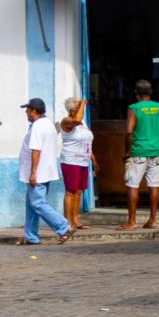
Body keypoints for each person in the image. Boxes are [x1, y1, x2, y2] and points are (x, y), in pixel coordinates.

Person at [18, 97, 71, 245]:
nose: (26, 112)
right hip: (45, 171)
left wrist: (33, 172)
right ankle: (31, 237)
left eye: (27, 110)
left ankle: (63, 227)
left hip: (38, 173)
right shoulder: (47, 124)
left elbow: (36, 150)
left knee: (37, 203)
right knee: (31, 205)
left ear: (34, 111)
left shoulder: (37, 126)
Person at [121, 80, 159, 231]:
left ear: (136, 92)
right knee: (154, 185)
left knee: (133, 185)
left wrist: (126, 151)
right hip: (156, 151)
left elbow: (129, 131)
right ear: (151, 92)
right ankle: (152, 220)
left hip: (138, 151)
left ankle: (132, 221)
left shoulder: (134, 108)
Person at [58, 98, 93, 234]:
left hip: (83, 161)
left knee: (79, 191)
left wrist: (93, 159)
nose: (82, 112)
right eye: (80, 109)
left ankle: (75, 220)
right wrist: (83, 103)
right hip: (71, 161)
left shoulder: (83, 122)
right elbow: (76, 121)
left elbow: (87, 141)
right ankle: (67, 223)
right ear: (73, 110)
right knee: (70, 191)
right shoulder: (66, 121)